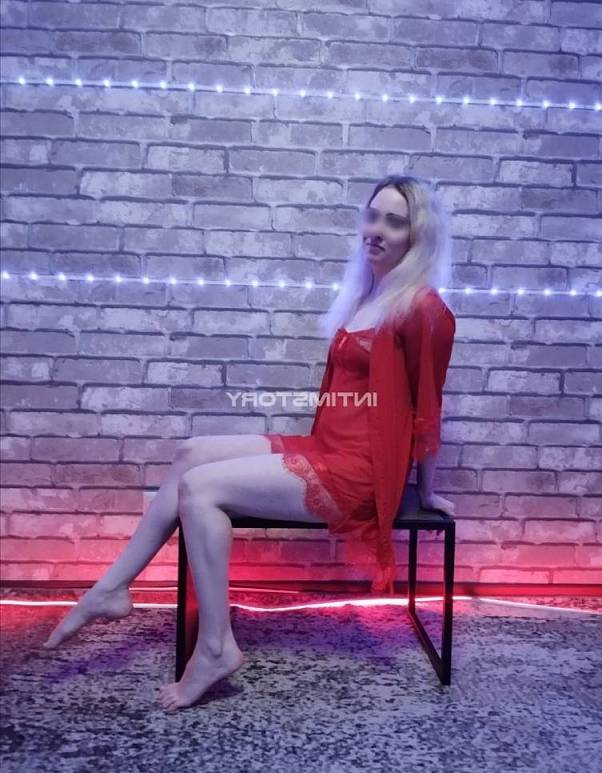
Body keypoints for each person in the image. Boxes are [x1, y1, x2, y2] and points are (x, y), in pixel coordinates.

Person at [42, 174, 457, 712]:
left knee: (200, 489)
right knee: (191, 453)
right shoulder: (372, 292)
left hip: (359, 471)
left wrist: (426, 491)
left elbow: (427, 410)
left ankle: (216, 647)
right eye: (373, 216)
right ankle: (111, 588)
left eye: (394, 222)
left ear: (416, 237)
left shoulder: (423, 308)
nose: (376, 230)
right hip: (327, 447)